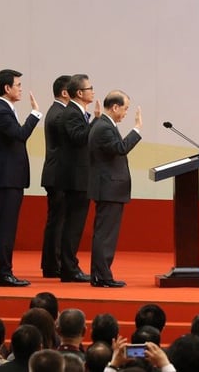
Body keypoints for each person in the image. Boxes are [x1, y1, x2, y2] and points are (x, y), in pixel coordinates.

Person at [0, 69, 41, 287]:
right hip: (5, 178)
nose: (20, 88)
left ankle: (4, 272)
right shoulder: (1, 112)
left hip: (10, 177)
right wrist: (35, 115)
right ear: (6, 88)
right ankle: (3, 274)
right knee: (6, 228)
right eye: (17, 85)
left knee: (8, 226)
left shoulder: (5, 109)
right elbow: (20, 135)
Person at [87, 91, 142, 288]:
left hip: (108, 188)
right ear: (115, 107)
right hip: (109, 188)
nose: (126, 112)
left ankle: (98, 274)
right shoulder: (104, 127)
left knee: (103, 233)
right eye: (125, 108)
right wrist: (136, 130)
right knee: (106, 235)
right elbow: (120, 148)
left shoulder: (104, 124)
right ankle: (103, 276)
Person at [55, 75, 96, 283]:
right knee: (73, 224)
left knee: (75, 224)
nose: (93, 91)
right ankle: (69, 268)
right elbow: (79, 138)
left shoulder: (77, 112)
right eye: (90, 88)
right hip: (75, 178)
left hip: (79, 176)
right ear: (79, 93)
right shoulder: (71, 113)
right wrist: (96, 120)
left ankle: (70, 266)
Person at [40, 75, 71, 279]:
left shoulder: (58, 111)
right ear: (65, 92)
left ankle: (52, 263)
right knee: (57, 222)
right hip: (58, 175)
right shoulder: (59, 114)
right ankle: (53, 264)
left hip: (57, 174)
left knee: (56, 221)